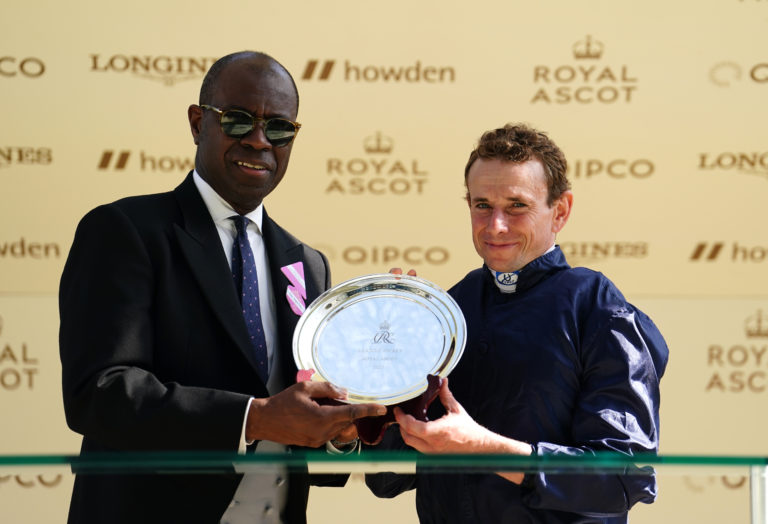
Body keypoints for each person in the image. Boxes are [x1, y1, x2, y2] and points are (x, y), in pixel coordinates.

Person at [59, 51, 386, 524]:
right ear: (198, 123)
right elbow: (100, 393)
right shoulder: (125, 231)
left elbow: (310, 435)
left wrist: (342, 429)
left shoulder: (306, 264)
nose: (258, 141)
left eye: (277, 128)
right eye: (237, 120)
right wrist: (253, 418)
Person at [365, 123, 669, 523]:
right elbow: (386, 477)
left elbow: (623, 477)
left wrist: (480, 448)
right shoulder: (450, 307)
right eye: (482, 206)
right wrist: (392, 366)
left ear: (560, 211)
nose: (496, 226)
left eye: (517, 206)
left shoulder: (596, 307)